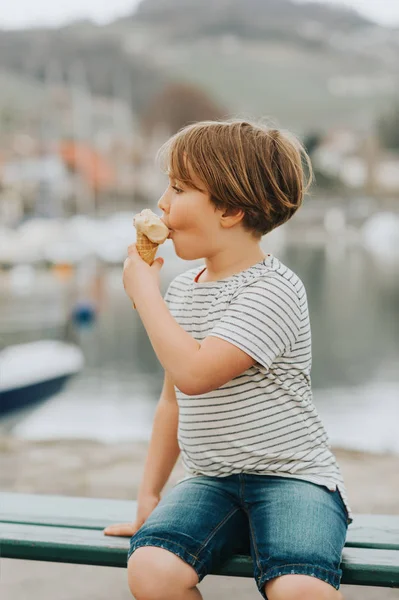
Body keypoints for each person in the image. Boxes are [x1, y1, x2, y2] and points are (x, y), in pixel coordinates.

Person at [104, 120, 352, 600]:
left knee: (299, 588)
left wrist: (142, 290)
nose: (161, 203)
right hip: (210, 482)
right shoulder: (183, 289)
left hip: (293, 478)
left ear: (232, 208)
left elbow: (198, 374)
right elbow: (173, 401)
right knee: (150, 570)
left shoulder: (273, 290)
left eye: (178, 188)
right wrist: (149, 496)